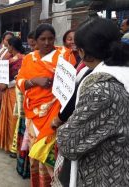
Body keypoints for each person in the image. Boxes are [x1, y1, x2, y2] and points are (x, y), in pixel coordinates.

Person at [57, 18, 129, 187]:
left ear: (82, 51)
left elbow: (69, 142)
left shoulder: (101, 90)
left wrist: (61, 128)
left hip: (104, 174)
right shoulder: (122, 72)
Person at [16, 24, 75, 187]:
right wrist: (35, 81)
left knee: (51, 158)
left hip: (55, 114)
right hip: (34, 115)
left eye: (50, 38)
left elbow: (72, 82)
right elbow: (20, 81)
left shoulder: (65, 55)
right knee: (36, 155)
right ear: (35, 41)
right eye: (43, 39)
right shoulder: (29, 59)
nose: (47, 42)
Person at [0, 36, 24, 153]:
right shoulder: (11, 59)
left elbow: (20, 78)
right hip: (8, 91)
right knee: (7, 117)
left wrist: (6, 85)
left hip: (16, 92)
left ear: (12, 46)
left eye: (8, 46)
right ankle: (8, 144)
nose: (7, 48)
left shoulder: (22, 59)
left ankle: (14, 148)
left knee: (13, 119)